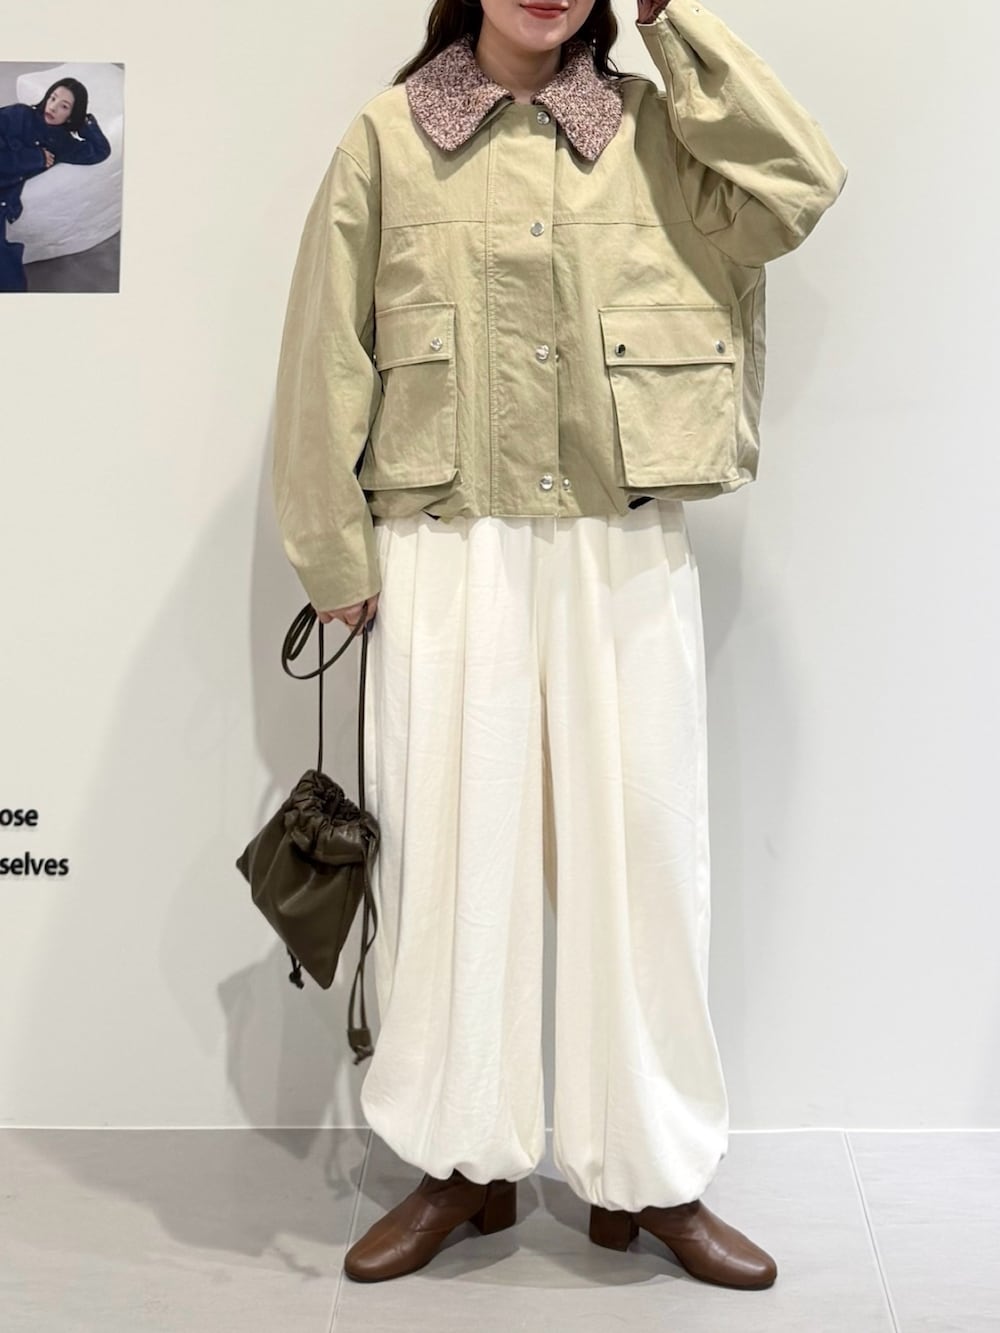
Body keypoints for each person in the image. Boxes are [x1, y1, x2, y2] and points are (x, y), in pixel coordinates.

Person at [271, 0, 846, 1290]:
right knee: (450, 861)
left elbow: (798, 186)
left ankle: (649, 1174)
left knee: (642, 855)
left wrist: (675, 22)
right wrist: (333, 553)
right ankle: (461, 1162)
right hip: (447, 544)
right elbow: (324, 349)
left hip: (616, 542)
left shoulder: (659, 129)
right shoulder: (387, 137)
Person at [0, 77, 111, 292]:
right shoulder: (19, 114)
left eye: (64, 106)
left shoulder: (62, 143)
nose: (52, 107)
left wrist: (85, 122)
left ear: (71, 115)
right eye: (52, 98)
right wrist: (34, 158)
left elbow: (99, 151)